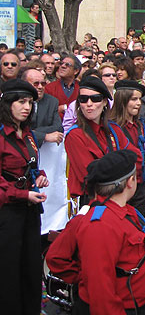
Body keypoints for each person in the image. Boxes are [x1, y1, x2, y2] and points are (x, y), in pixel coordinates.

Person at [45, 149, 145, 315]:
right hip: (125, 307)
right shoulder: (100, 225)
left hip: (140, 299)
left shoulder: (126, 211)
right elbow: (101, 294)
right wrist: (84, 278)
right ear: (130, 182)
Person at [0, 79, 48, 315]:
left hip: (30, 208)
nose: (26, 107)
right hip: (7, 211)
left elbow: (32, 165)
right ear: (8, 103)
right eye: (21, 102)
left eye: (29, 102)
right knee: (9, 267)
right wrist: (23, 193)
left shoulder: (27, 133)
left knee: (31, 264)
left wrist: (40, 176)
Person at [64, 76, 137, 203]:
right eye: (83, 99)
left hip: (120, 195)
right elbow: (88, 176)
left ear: (104, 102)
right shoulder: (75, 135)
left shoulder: (114, 129)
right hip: (92, 199)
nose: (89, 104)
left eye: (95, 99)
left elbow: (133, 157)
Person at [111, 80, 145, 214]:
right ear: (123, 100)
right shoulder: (113, 127)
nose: (138, 103)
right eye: (134, 99)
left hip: (140, 182)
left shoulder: (139, 125)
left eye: (139, 99)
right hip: (122, 185)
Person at [21, 68, 63, 147]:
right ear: (25, 84)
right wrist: (44, 136)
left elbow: (58, 127)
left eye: (43, 84)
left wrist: (34, 132)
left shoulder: (52, 101)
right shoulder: (17, 102)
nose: (40, 87)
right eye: (36, 84)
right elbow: (19, 131)